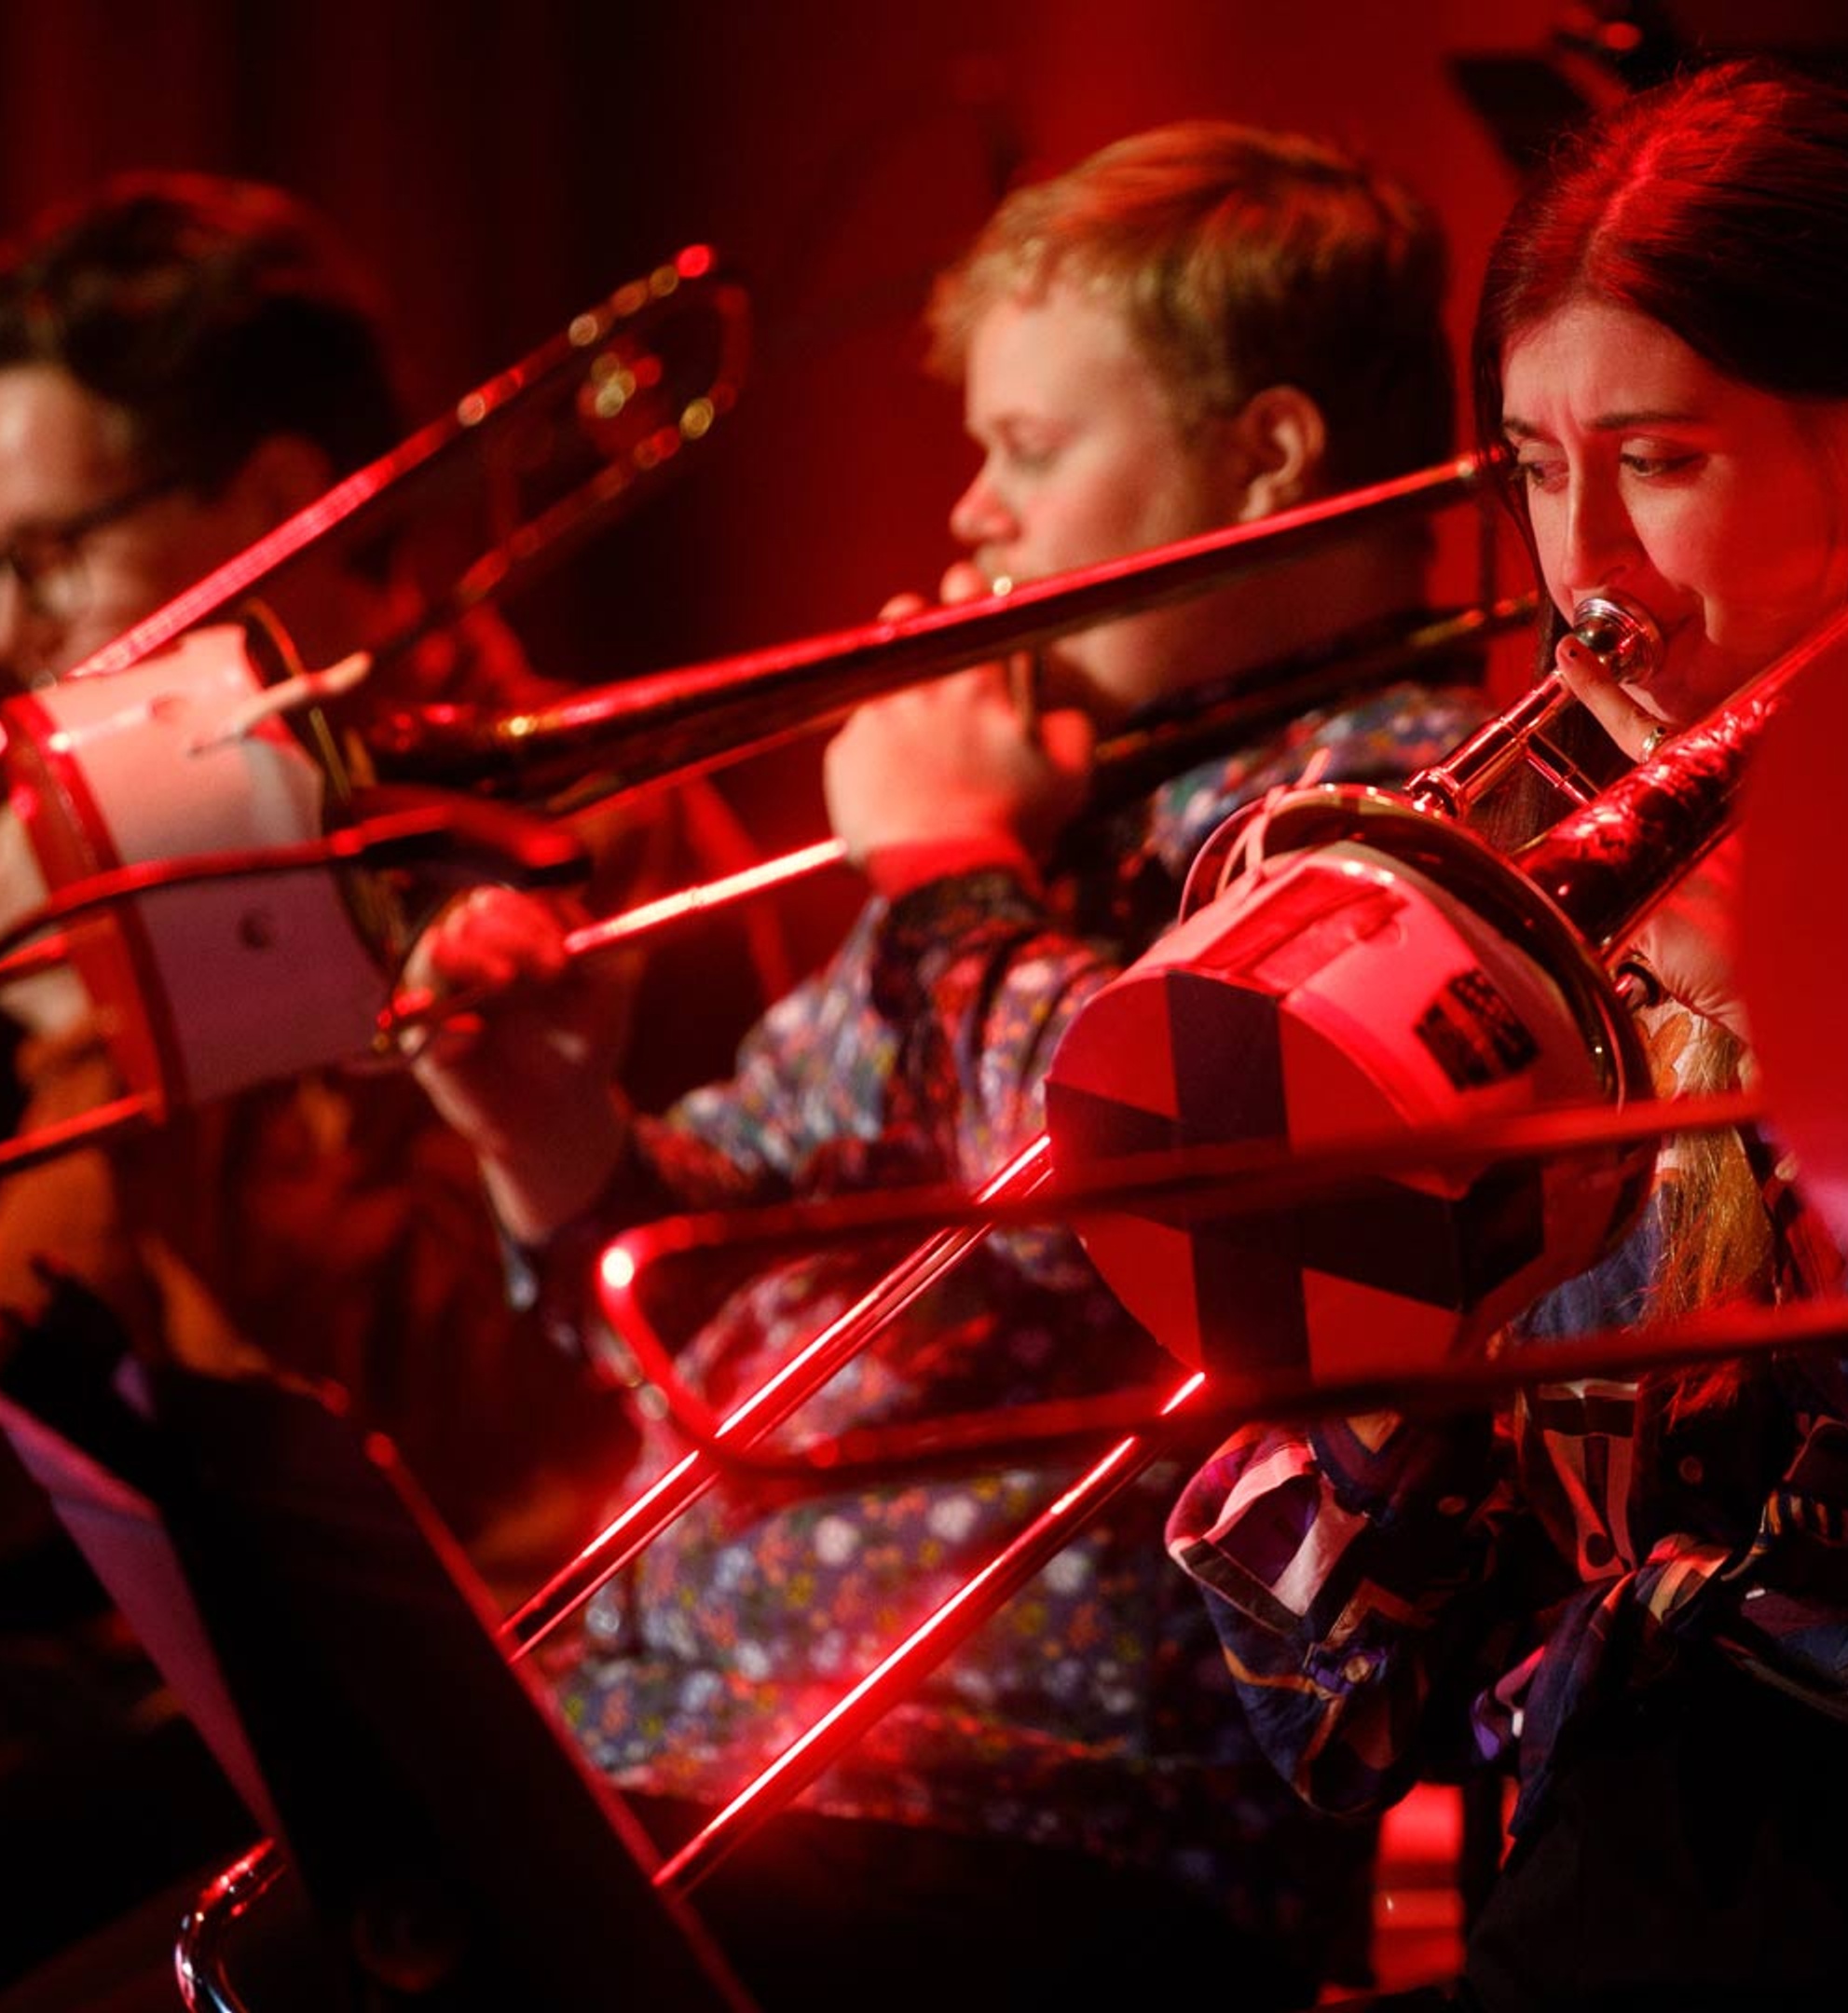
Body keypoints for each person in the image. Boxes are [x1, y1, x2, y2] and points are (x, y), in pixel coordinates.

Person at [1163, 62, 1848, 2011]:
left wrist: (1803, 1039)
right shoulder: (1514, 870)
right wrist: (1394, 1323)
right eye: (1534, 470)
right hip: (1614, 1858)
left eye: (1656, 465)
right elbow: (1346, 1711)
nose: (1587, 576)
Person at [406, 121, 1482, 2008]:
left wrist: (944, 885)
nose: (971, 510)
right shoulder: (1053, 793)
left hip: (1032, 1827)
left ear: (1272, 460)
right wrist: (553, 1126)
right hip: (675, 1738)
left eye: (1033, 449)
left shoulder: (1403, 810)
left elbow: (1185, 1214)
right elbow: (697, 1295)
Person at [0, 171, 747, 2011]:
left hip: (513, 1719)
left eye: (53, 551)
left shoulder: (594, 832)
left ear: (284, 510)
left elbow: (496, 1453)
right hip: (208, 1676)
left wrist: (143, 1009)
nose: (6, 639)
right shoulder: (149, 862)